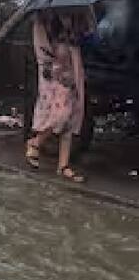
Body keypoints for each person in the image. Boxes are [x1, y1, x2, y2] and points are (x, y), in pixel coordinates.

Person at [25, 10, 91, 182]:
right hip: (53, 72)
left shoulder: (75, 15)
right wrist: (55, 68)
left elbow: (85, 37)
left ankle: (63, 164)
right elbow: (41, 50)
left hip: (72, 66)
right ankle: (36, 141)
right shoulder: (42, 20)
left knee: (71, 115)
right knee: (61, 112)